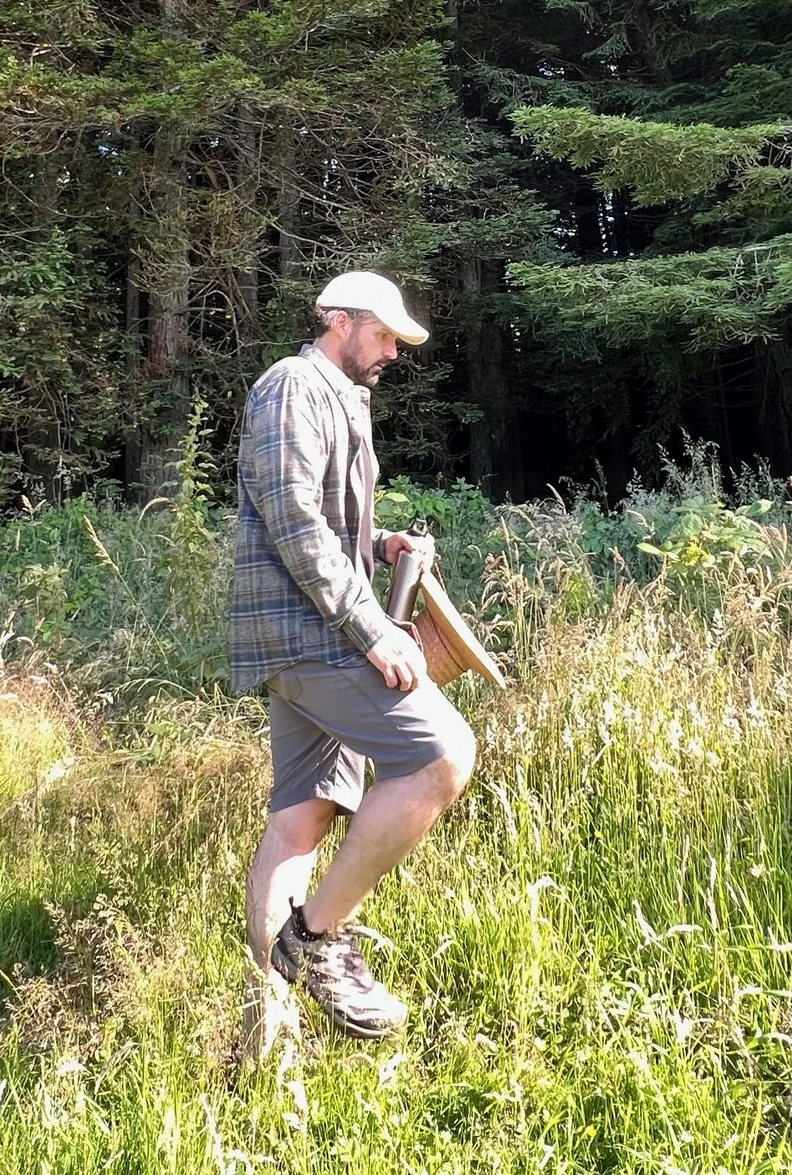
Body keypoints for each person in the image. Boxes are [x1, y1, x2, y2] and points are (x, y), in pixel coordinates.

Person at [231, 269, 475, 1038]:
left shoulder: (341, 396)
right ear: (337, 318)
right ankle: (314, 942)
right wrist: (371, 627)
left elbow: (323, 527)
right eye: (382, 335)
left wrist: (380, 541)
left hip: (311, 627)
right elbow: (293, 522)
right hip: (310, 632)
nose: (393, 352)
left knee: (301, 818)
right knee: (442, 755)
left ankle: (270, 1011)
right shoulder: (291, 386)